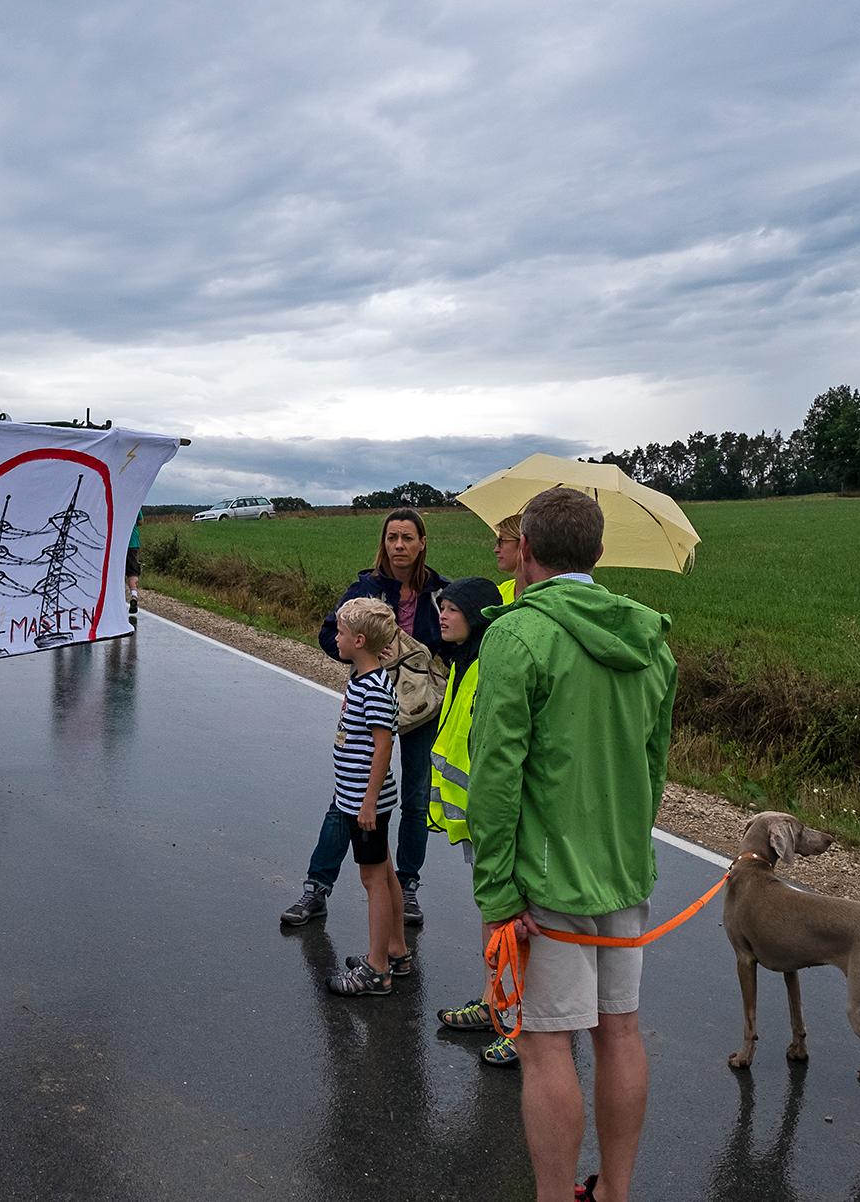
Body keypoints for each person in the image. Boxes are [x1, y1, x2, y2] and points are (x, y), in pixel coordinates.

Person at [466, 487, 676, 1202]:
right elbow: (653, 767)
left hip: (543, 882)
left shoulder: (515, 635)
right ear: (600, 552)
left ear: (523, 549)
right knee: (619, 1031)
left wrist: (496, 895)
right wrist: (626, 849)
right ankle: (615, 1192)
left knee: (543, 1043)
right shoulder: (650, 638)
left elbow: (495, 777)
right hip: (623, 871)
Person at [281, 508, 449, 929]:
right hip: (371, 700)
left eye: (408, 538)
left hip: (421, 708)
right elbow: (328, 634)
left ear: (422, 542)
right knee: (349, 796)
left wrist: (428, 657)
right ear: (383, 542)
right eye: (392, 537)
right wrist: (368, 660)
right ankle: (317, 888)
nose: (399, 546)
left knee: (414, 797)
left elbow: (459, 640)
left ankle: (406, 887)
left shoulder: (440, 592)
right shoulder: (366, 588)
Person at [424, 576, 520, 1067]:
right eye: (442, 606)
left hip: (496, 816)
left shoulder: (491, 668)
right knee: (493, 914)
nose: (444, 615)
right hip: (478, 817)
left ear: (480, 615)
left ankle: (519, 1022)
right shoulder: (465, 662)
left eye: (454, 608)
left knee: (513, 920)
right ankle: (493, 1001)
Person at [323, 597, 409, 997]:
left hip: (365, 802)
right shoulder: (364, 678)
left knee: (372, 878)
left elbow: (383, 745)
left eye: (340, 633)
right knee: (385, 870)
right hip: (361, 796)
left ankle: (378, 970)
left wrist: (368, 801)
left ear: (358, 640)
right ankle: (396, 949)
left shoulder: (372, 687)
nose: (335, 638)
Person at [493, 513, 522, 603]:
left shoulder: (550, 597)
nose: (496, 549)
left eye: (502, 541)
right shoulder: (499, 592)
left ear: (523, 543)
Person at [126, 506, 143, 616]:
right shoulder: (134, 501)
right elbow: (140, 521)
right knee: (132, 572)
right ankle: (134, 595)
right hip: (132, 542)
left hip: (116, 542)